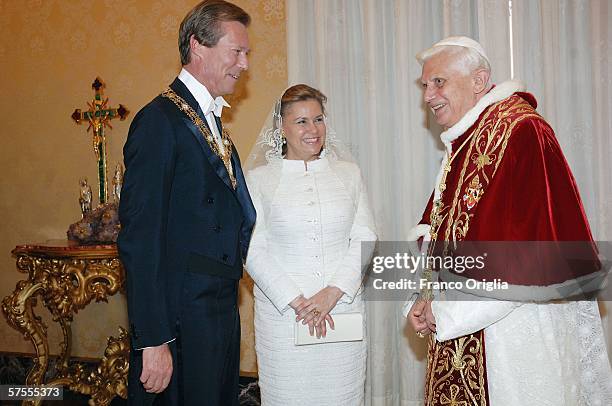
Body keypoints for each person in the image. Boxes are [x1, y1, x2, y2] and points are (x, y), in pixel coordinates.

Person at [405, 36, 612, 405]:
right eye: (425, 85)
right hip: (463, 322)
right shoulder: (465, 140)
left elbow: (526, 257)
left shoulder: (521, 132)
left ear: (479, 80)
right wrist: (422, 298)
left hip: (515, 333)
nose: (428, 96)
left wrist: (447, 311)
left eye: (439, 82)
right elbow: (437, 230)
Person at [117, 1, 256, 405]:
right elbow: (140, 240)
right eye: (237, 51)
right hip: (180, 319)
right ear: (199, 46)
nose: (245, 64)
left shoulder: (209, 121)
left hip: (218, 310)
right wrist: (154, 339)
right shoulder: (159, 121)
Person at [245, 84, 377, 405]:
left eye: (318, 119)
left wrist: (332, 293)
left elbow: (366, 236)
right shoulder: (259, 180)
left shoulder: (349, 173)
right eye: (301, 121)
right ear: (281, 127)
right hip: (285, 319)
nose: (313, 129)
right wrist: (298, 302)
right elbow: (251, 248)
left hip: (341, 312)